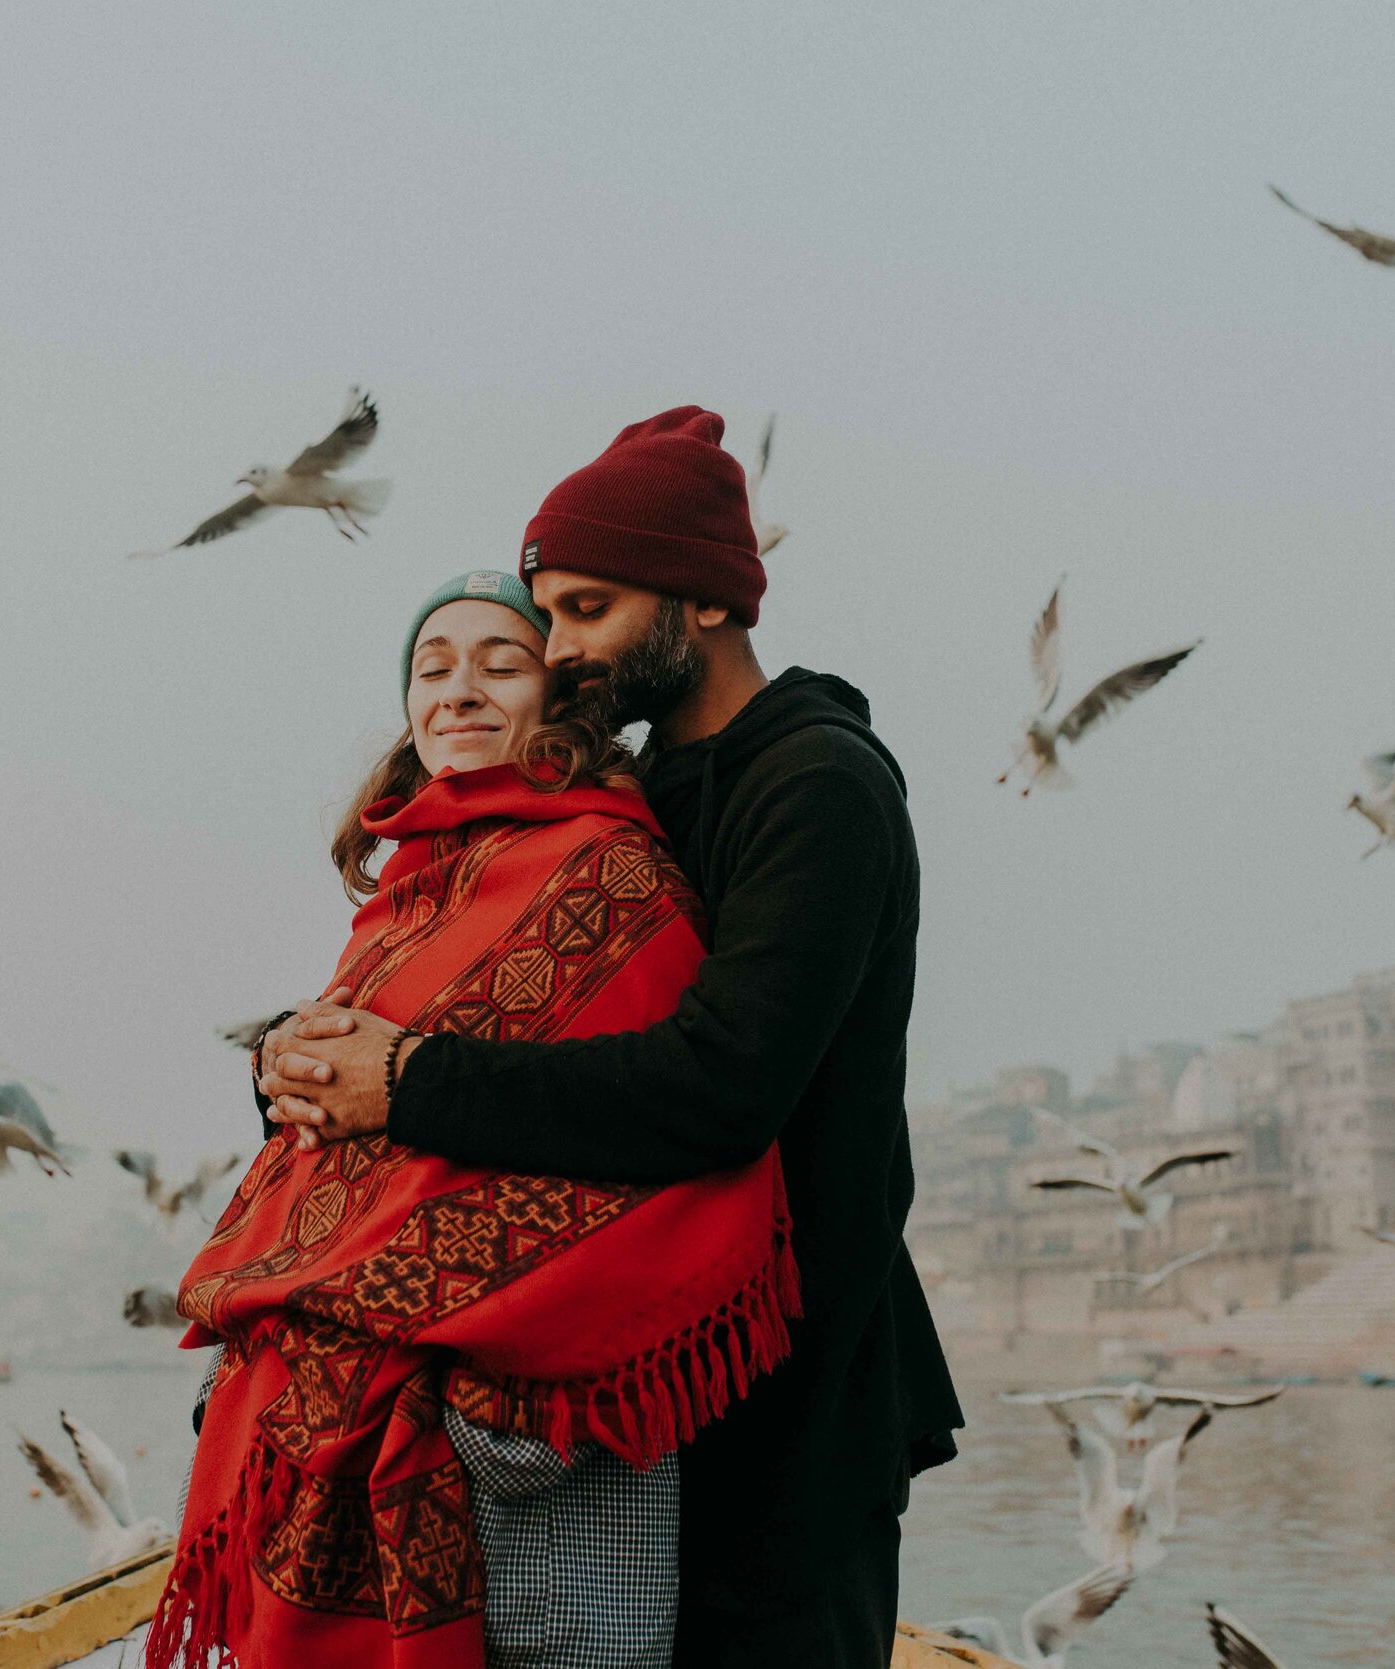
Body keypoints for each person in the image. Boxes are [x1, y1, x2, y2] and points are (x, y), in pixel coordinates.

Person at [257, 408, 965, 1668]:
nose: (557, 645)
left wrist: (404, 1080)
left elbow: (719, 1084)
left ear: (701, 599)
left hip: (791, 1394)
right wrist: (309, 1067)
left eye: (586, 609)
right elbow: (502, 1011)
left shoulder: (818, 786)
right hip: (635, 1397)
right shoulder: (624, 792)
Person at [152, 569, 799, 1669]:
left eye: (501, 664)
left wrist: (465, 1358)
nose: (458, 689)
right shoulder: (411, 890)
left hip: (542, 1417)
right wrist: (289, 1069)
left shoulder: (615, 872)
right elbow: (362, 1134)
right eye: (431, 667)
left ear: (558, 700)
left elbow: (658, 1130)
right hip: (349, 1402)